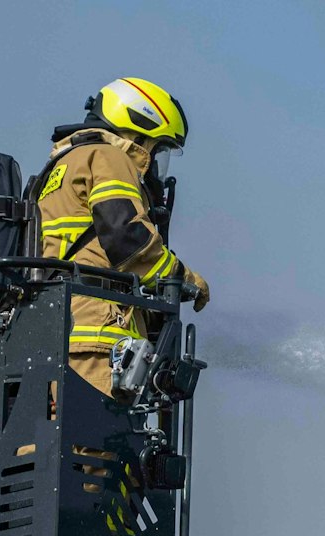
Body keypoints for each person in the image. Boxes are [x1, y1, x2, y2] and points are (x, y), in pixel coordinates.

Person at [31, 78, 209, 396]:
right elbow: (128, 239)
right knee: (94, 442)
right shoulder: (108, 157)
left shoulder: (58, 167)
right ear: (138, 130)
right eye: (161, 148)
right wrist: (184, 279)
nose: (157, 163)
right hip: (99, 334)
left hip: (55, 332)